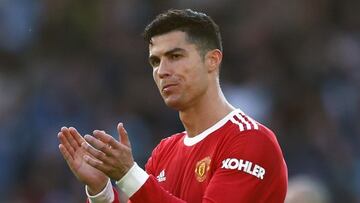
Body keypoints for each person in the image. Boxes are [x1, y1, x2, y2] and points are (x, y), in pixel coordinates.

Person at [58, 9, 288, 203]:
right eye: (155, 61)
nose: (162, 71)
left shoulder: (250, 140)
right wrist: (102, 192)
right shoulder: (164, 151)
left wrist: (129, 174)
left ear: (212, 60)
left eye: (175, 56)